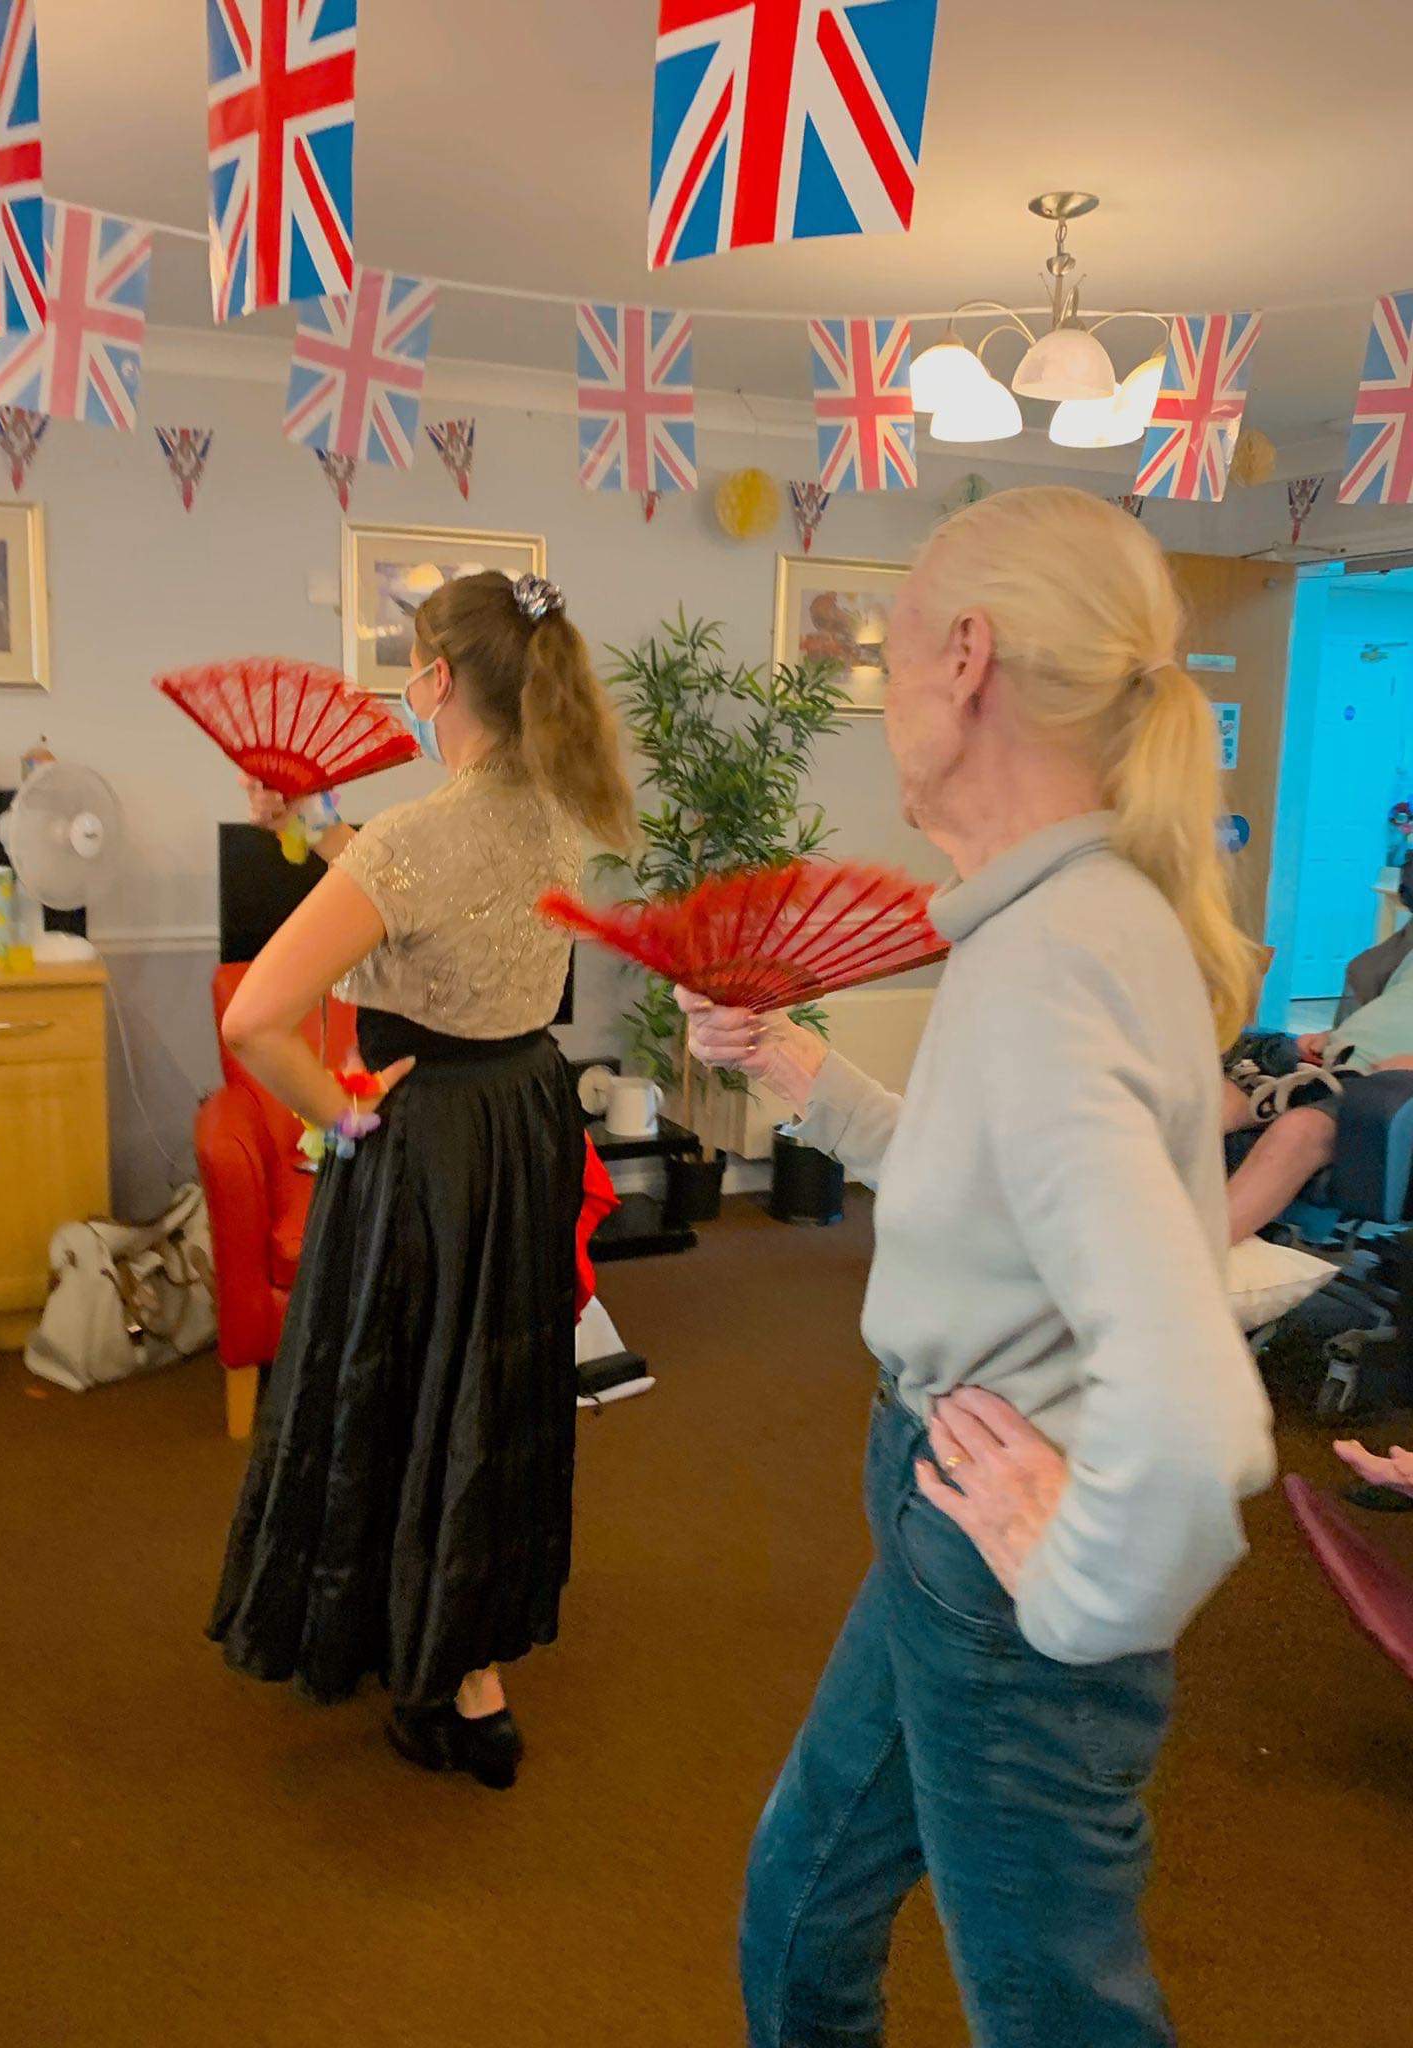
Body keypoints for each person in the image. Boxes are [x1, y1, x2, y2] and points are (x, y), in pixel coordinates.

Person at [681, 486, 1277, 2047]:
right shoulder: (1058, 922)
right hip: (949, 1507)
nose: (883, 693)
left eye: (887, 653)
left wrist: (1077, 1595)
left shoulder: (1057, 952)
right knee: (801, 1904)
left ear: (966, 658)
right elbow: (986, 1189)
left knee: (1055, 2014)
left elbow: (1198, 1411)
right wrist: (796, 1072)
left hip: (1003, 1554)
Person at [208, 570, 634, 1790]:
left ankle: (428, 1659)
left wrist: (339, 1113)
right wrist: (313, 819)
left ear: (437, 679)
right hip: (523, 1117)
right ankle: (468, 1660)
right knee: (488, 1385)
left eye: (408, 660)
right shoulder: (562, 804)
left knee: (397, 1380)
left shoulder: (415, 837)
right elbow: (424, 890)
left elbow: (257, 1020)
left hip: (424, 1134)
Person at [1223, 949, 1413, 1243]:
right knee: (1212, 1102)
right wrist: (1331, 1035)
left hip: (1383, 1087)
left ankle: (1190, 1256)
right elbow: (1392, 1015)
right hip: (1326, 1063)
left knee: (1300, 1130)